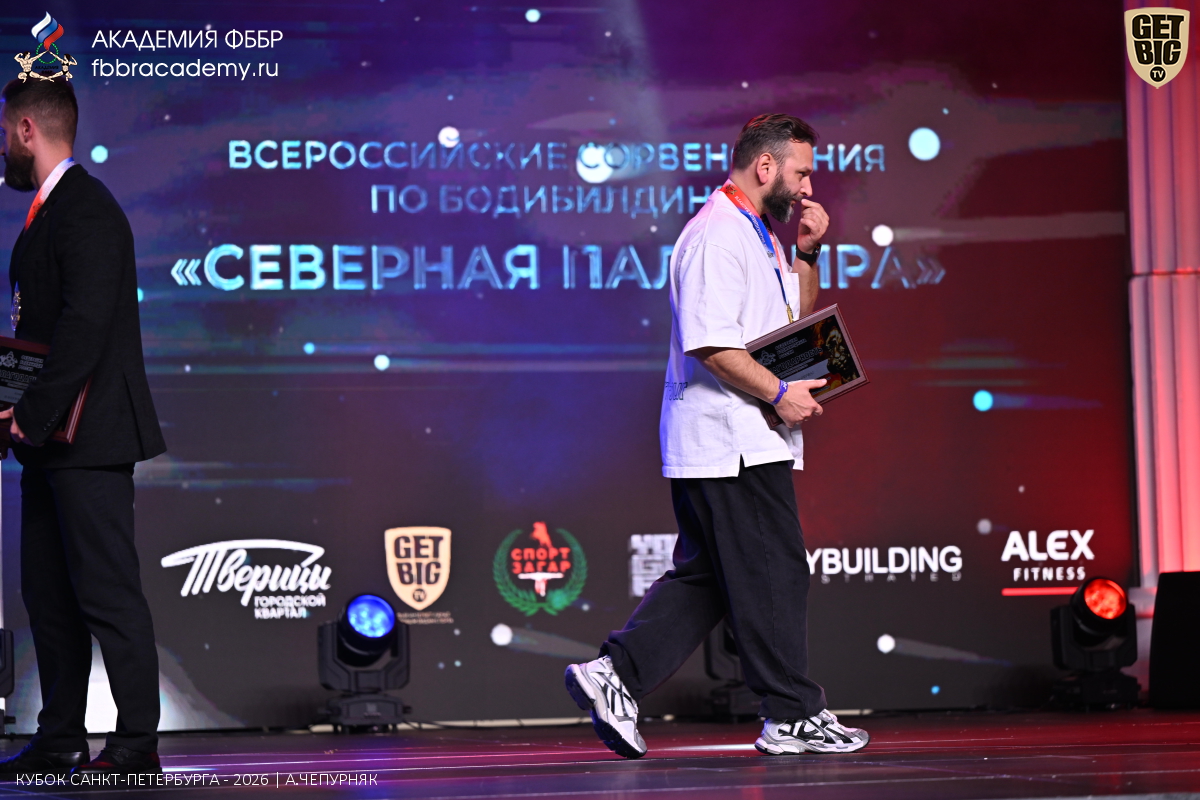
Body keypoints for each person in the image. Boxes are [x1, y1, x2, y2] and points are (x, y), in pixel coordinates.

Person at [566, 114, 868, 758]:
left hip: (740, 438)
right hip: (731, 440)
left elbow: (794, 321)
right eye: (801, 172)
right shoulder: (715, 235)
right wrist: (780, 394)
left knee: (708, 576)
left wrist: (808, 253)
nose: (808, 186)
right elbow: (711, 345)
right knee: (776, 573)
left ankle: (615, 674)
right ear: (766, 166)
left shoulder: (755, 230)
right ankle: (792, 715)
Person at [0, 76, 166, 776]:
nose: (2, 147)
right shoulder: (52, 211)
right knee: (48, 595)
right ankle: (61, 736)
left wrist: (28, 412)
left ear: (28, 130)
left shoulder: (86, 209)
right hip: (49, 441)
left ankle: (136, 744)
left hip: (88, 439)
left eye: (4, 132)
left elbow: (84, 328)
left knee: (105, 591)